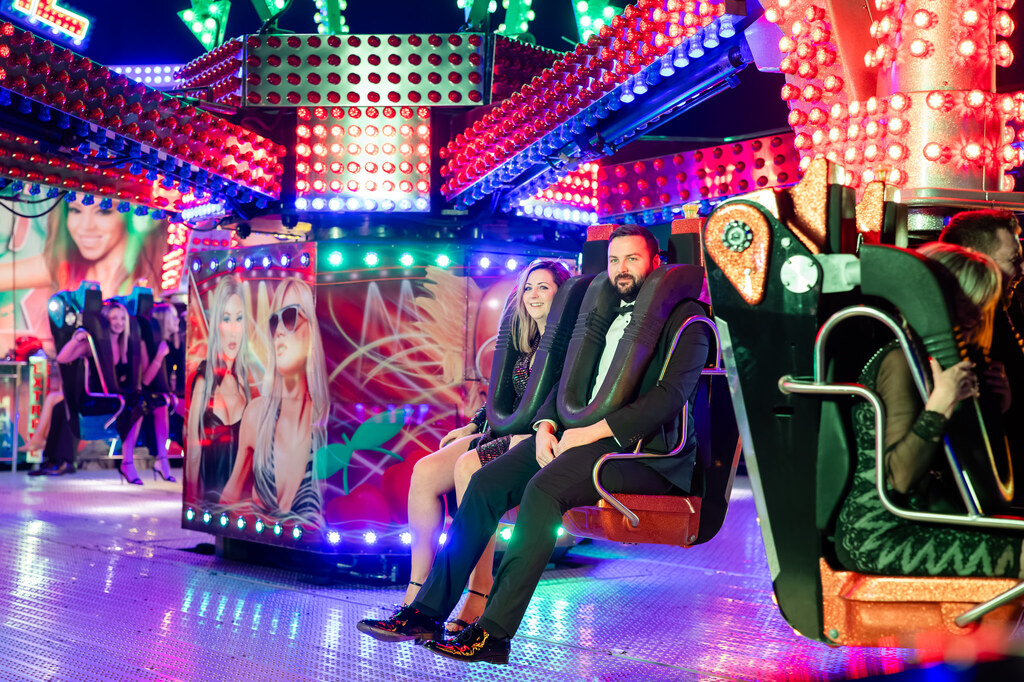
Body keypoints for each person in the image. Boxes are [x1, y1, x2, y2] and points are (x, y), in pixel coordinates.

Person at [357, 224, 711, 664]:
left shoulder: (688, 320)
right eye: (615, 260)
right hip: (572, 435)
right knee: (485, 484)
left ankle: (492, 633)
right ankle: (425, 612)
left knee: (542, 490)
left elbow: (669, 398)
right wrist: (545, 424)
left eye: (632, 259)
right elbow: (568, 380)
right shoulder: (600, 310)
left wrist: (591, 432)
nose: (622, 269)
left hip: (640, 452)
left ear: (655, 264)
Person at [834, 242, 1024, 577]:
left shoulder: (940, 362)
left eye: (983, 305)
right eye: (966, 301)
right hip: (881, 534)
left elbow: (976, 476)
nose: (976, 315)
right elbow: (900, 478)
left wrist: (998, 409)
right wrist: (941, 404)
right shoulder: (901, 361)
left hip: (929, 516)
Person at [403, 259, 571, 634]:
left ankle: (479, 591)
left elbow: (561, 402)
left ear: (562, 293)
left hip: (537, 437)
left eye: (543, 287)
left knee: (469, 467)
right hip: (503, 430)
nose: (533, 295)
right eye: (528, 288)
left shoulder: (570, 344)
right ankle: (417, 590)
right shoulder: (525, 340)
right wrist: (473, 424)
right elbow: (500, 396)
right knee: (425, 471)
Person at [220, 278, 328, 527]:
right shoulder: (257, 416)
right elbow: (227, 502)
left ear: (312, 330)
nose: (278, 330)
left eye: (290, 317)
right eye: (274, 321)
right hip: (257, 548)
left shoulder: (326, 422)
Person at [939, 210, 1024, 450]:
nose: (1021, 271)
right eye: (1013, 260)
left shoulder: (1002, 309)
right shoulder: (965, 325)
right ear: (975, 260)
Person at [187, 276, 254, 503]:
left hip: (241, 505)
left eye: (239, 318)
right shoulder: (204, 380)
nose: (233, 330)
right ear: (217, 324)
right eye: (226, 319)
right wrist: (193, 504)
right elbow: (193, 452)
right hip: (210, 501)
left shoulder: (245, 383)